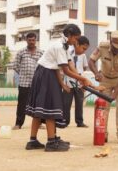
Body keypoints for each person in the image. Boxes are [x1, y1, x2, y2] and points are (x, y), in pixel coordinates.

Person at [25, 24, 91, 152]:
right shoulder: (60, 46)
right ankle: (51, 142)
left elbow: (70, 64)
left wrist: (80, 77)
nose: (76, 41)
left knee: (41, 108)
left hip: (46, 73)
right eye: (75, 38)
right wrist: (82, 79)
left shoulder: (64, 46)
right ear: (70, 36)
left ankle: (33, 141)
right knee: (51, 106)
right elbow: (65, 70)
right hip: (46, 75)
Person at [88, 30, 118, 145]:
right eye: (115, 47)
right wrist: (96, 73)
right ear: (111, 42)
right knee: (103, 107)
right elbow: (91, 61)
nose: (117, 50)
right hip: (105, 80)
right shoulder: (102, 46)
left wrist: (114, 95)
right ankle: (103, 134)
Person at [13, 32, 43, 130]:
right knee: (21, 104)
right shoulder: (21, 52)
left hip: (37, 83)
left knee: (38, 104)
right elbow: (16, 66)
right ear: (26, 40)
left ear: (36, 40)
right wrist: (24, 74)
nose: (31, 42)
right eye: (29, 40)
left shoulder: (41, 53)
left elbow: (44, 66)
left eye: (33, 40)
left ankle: (39, 123)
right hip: (24, 83)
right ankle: (18, 124)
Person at [63, 36, 90, 127]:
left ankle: (79, 121)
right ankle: (65, 121)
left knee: (79, 103)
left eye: (86, 49)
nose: (84, 51)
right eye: (83, 48)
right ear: (77, 44)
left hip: (80, 84)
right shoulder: (68, 52)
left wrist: (83, 78)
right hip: (68, 83)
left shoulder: (83, 56)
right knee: (66, 103)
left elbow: (85, 67)